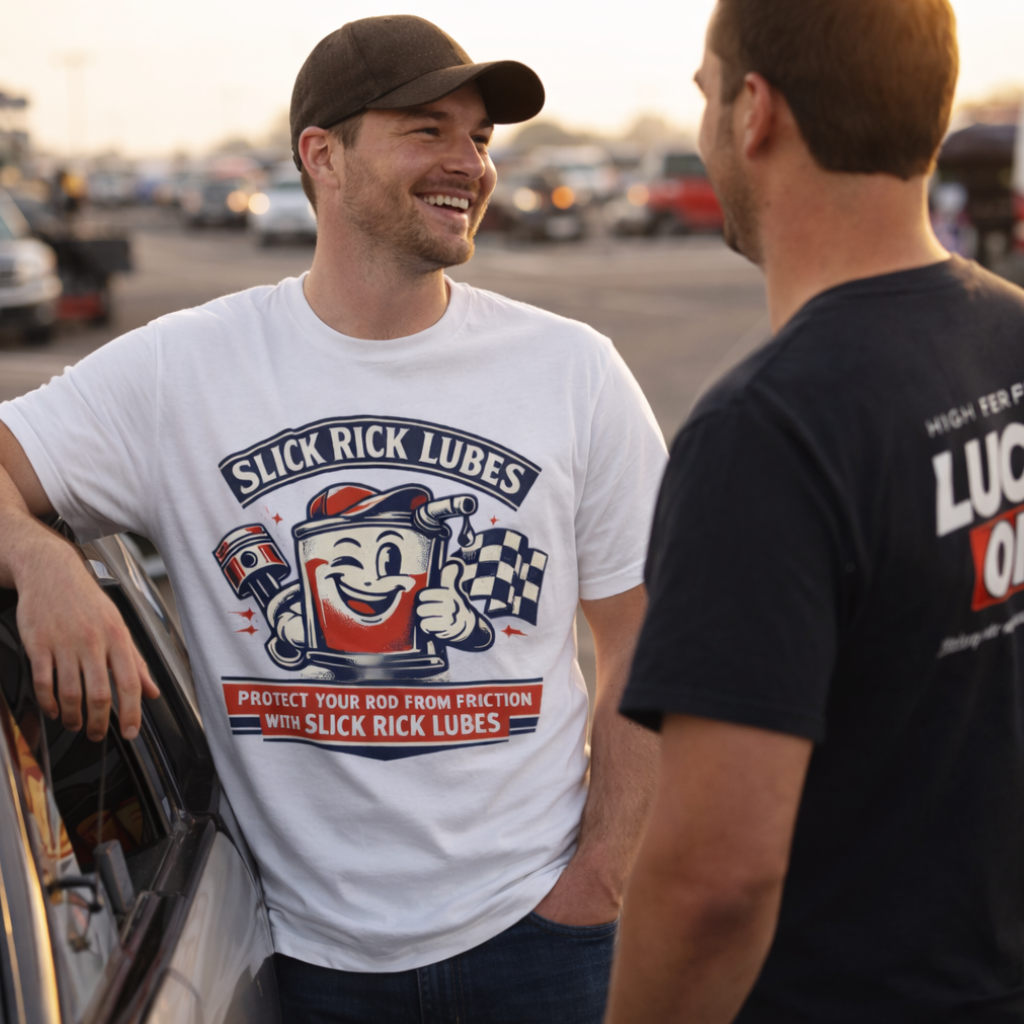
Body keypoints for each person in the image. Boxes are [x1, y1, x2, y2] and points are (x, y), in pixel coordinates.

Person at [0, 16, 667, 1023]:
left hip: (543, 941)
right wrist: (39, 561)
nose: (469, 164)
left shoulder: (572, 372)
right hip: (305, 965)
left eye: (480, 137)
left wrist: (600, 882)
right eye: (427, 131)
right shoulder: (185, 371)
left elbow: (649, 641)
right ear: (323, 156)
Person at [608, 1, 1024, 1022]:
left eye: (706, 95)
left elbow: (714, 883)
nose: (706, 126)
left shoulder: (765, 435)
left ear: (755, 112)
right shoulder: (1010, 337)